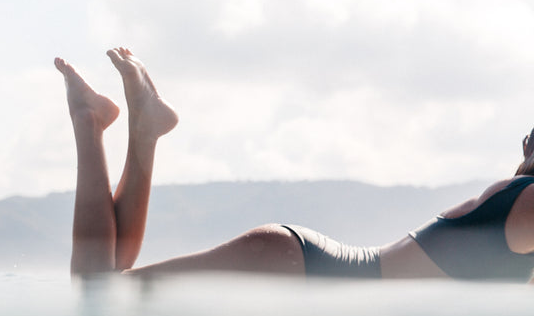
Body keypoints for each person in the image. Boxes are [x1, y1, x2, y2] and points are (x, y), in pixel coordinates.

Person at [56, 48, 534, 283]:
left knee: (105, 287)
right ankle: (89, 122)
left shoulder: (513, 207)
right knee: (95, 295)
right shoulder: (524, 204)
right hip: (299, 275)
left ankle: (144, 131)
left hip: (299, 267)